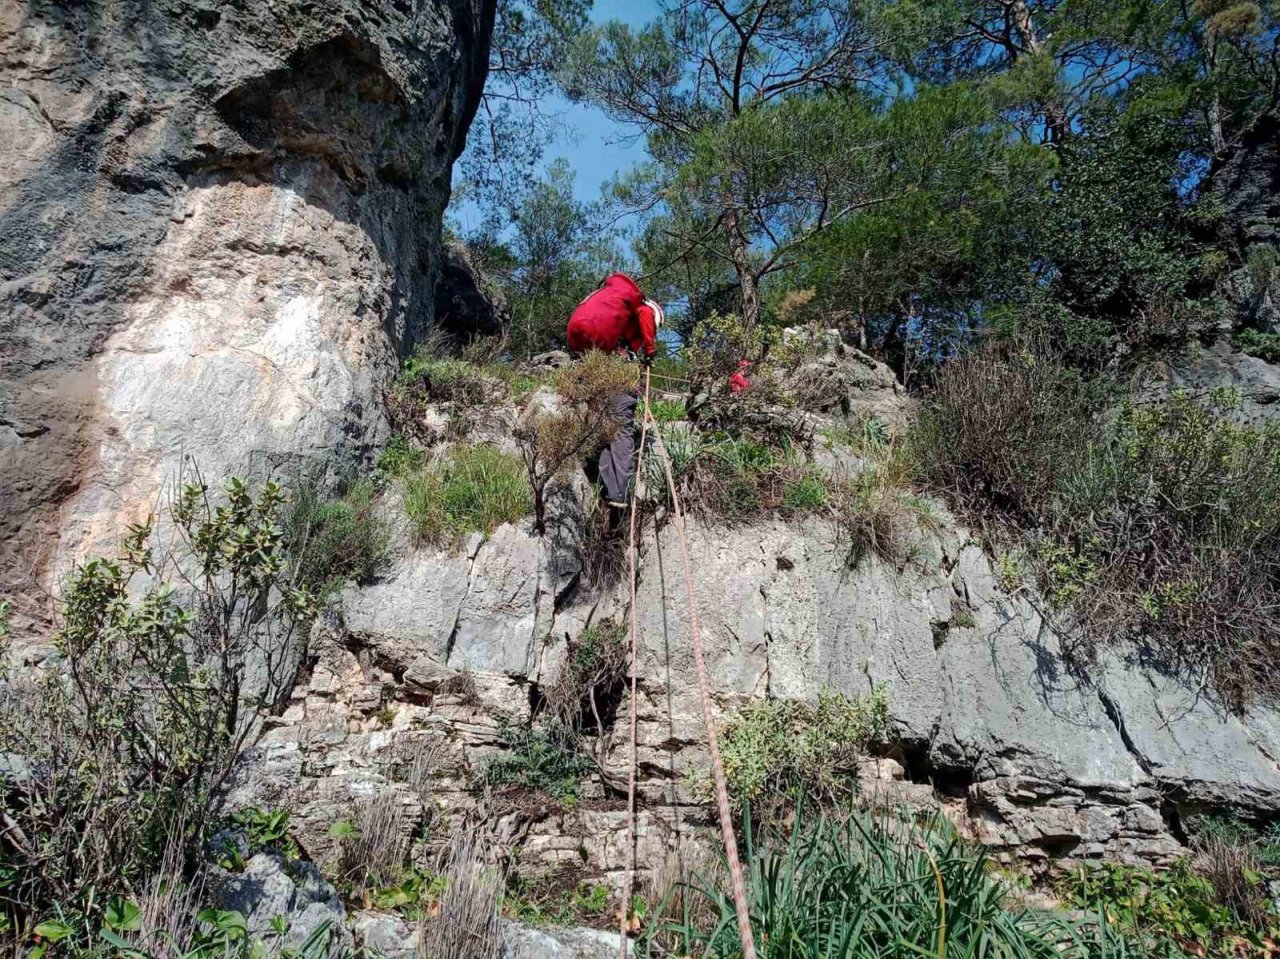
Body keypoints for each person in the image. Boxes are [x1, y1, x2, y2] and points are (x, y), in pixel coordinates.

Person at [565, 272, 664, 512]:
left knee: (604, 426)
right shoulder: (644, 309)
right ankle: (618, 494)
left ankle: (606, 488)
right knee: (621, 428)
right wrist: (650, 351)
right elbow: (646, 318)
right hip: (619, 369)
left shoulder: (606, 300)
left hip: (593, 365)